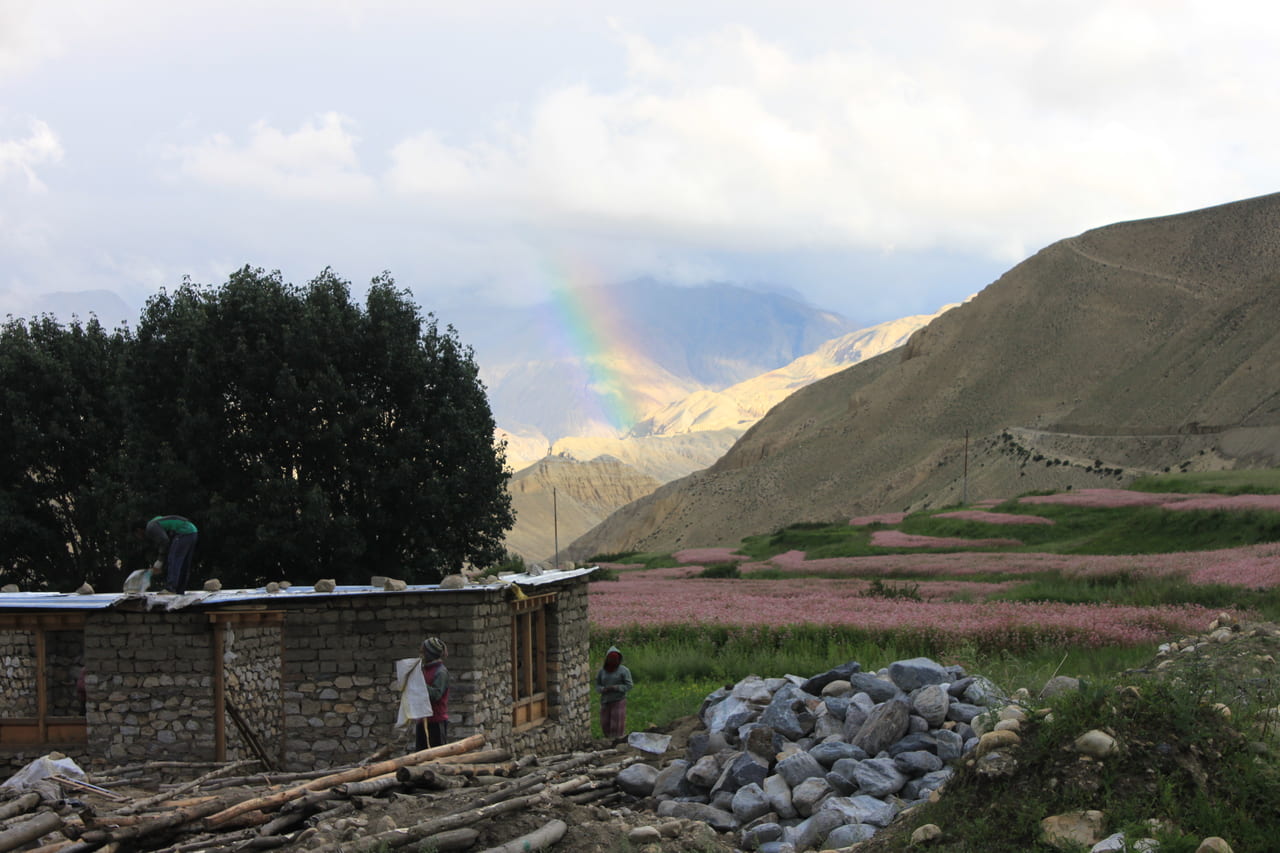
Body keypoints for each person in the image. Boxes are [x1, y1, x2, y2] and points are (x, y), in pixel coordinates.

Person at [138, 515, 199, 594]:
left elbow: (164, 541)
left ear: (139, 530)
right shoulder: (154, 521)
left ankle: (170, 589)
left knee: (174, 560)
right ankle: (179, 590)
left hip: (184, 531)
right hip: (192, 530)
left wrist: (160, 561)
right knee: (183, 563)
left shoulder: (150, 527)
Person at [415, 637, 450, 749]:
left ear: (430, 653)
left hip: (436, 722)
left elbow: (435, 695)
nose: (421, 655)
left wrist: (419, 684)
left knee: (437, 759)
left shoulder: (441, 672)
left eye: (423, 652)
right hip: (423, 721)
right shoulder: (425, 670)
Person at [594, 645, 633, 739]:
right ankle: (608, 740)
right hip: (605, 700)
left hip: (618, 700)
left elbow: (629, 685)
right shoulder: (602, 672)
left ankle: (617, 741)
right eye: (611, 659)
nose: (613, 662)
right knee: (605, 723)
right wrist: (603, 689)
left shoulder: (624, 671)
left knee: (616, 724)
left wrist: (617, 687)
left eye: (615, 659)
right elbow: (597, 685)